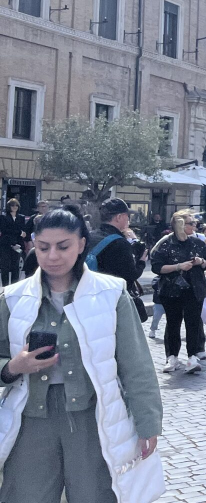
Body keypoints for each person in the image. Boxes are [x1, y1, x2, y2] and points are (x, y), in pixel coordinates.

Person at [0, 204, 164, 503]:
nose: (52, 256)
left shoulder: (111, 293)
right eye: (43, 247)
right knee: (25, 495)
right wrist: (13, 367)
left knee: (94, 495)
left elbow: (136, 363)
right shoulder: (12, 298)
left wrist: (148, 422)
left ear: (81, 244)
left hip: (93, 418)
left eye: (63, 246)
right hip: (30, 420)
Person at [150, 210, 206, 373]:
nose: (195, 226)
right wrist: (178, 266)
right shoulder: (165, 243)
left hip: (194, 288)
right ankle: (172, 357)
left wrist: (201, 261)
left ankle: (192, 357)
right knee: (173, 323)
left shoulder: (197, 242)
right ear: (181, 225)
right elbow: (157, 267)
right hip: (171, 289)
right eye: (191, 223)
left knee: (193, 323)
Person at [87, 197, 144, 285]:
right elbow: (130, 275)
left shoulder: (89, 236)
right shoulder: (120, 243)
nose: (128, 219)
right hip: (110, 290)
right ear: (119, 217)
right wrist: (142, 262)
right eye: (127, 216)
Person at [0, 198, 26, 285]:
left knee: (16, 267)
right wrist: (19, 233)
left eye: (16, 205)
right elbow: (5, 231)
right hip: (6, 244)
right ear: (9, 206)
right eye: (12, 205)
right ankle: (5, 287)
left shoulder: (21, 217)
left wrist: (19, 242)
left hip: (18, 244)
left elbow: (23, 230)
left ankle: (14, 287)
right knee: (5, 267)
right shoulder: (3, 217)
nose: (15, 207)